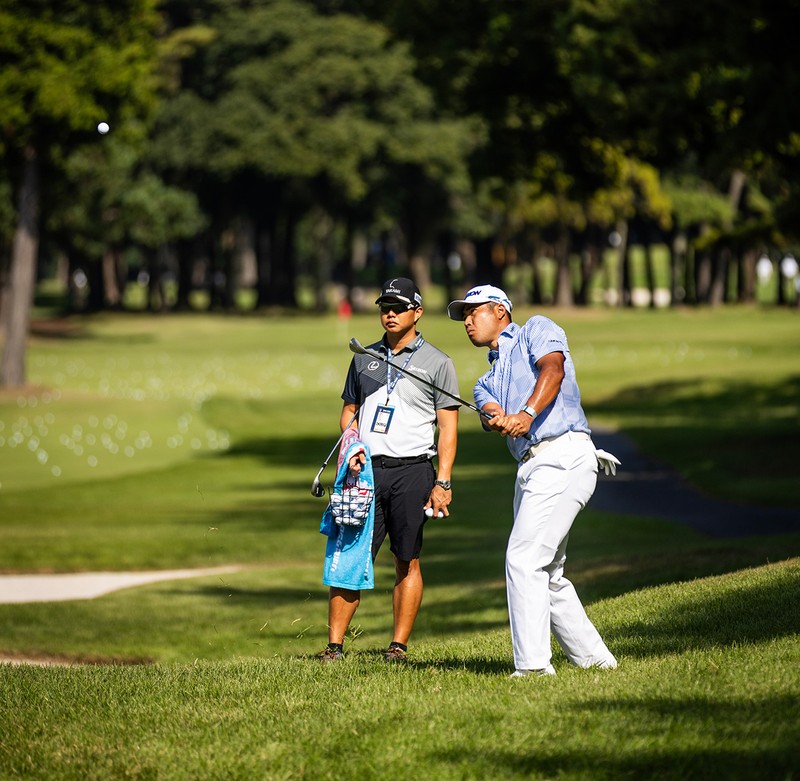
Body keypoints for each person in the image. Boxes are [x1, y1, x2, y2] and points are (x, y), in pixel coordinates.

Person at [447, 284, 618, 677]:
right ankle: (596, 661)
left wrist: (524, 413)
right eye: (464, 316)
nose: (468, 321)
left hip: (563, 454)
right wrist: (497, 417)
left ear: (501, 310)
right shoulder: (484, 381)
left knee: (523, 560)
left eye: (474, 311)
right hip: (530, 468)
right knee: (549, 572)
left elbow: (553, 369)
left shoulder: (536, 329)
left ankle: (534, 669)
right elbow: (489, 408)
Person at [320, 278, 460, 663]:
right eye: (385, 306)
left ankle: (397, 647)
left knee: (407, 558)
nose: (390, 313)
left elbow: (447, 427)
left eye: (399, 307)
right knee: (349, 554)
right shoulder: (362, 357)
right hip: (364, 474)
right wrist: (351, 447)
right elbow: (349, 412)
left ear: (417, 312)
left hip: (413, 472)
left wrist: (443, 482)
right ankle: (334, 648)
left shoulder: (438, 363)